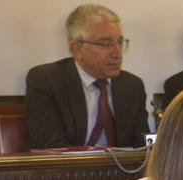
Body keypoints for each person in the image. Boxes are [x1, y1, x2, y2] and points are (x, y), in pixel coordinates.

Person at [25, 3, 149, 149]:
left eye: (120, 42)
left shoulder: (132, 85)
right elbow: (48, 145)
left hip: (123, 170)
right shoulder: (47, 80)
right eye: (105, 44)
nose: (117, 53)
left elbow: (143, 145)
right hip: (70, 170)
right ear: (77, 49)